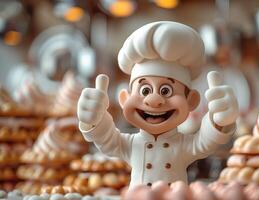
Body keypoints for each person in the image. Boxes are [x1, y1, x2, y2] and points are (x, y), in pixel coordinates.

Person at [77, 21, 238, 187]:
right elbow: (107, 139)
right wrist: (94, 119)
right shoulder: (130, 144)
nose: (154, 101)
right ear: (124, 99)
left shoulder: (183, 145)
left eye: (166, 91)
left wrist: (218, 120)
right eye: (145, 91)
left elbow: (206, 141)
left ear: (191, 101)